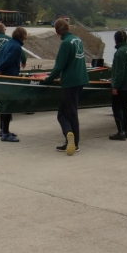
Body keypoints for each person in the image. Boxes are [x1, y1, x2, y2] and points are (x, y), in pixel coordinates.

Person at [41, 19, 90, 156]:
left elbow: (59, 66)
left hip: (70, 82)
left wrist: (48, 79)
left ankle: (70, 136)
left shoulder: (65, 44)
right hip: (81, 79)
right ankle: (73, 142)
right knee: (72, 111)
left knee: (63, 114)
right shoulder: (77, 40)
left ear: (57, 32)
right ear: (68, 28)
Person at [0, 27, 28, 142]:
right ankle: (5, 133)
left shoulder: (7, 44)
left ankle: (3, 130)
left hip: (2, 78)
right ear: (22, 36)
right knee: (8, 105)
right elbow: (8, 60)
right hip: (10, 78)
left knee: (3, 104)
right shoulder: (16, 47)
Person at [0, 23, 26, 121]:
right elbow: (16, 55)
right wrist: (23, 60)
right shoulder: (11, 41)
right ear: (3, 30)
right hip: (6, 72)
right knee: (7, 96)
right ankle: (7, 117)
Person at [109, 30, 127, 140]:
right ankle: (126, 130)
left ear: (116, 40)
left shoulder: (119, 52)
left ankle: (121, 132)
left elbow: (119, 71)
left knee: (116, 107)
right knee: (126, 107)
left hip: (122, 85)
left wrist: (115, 86)